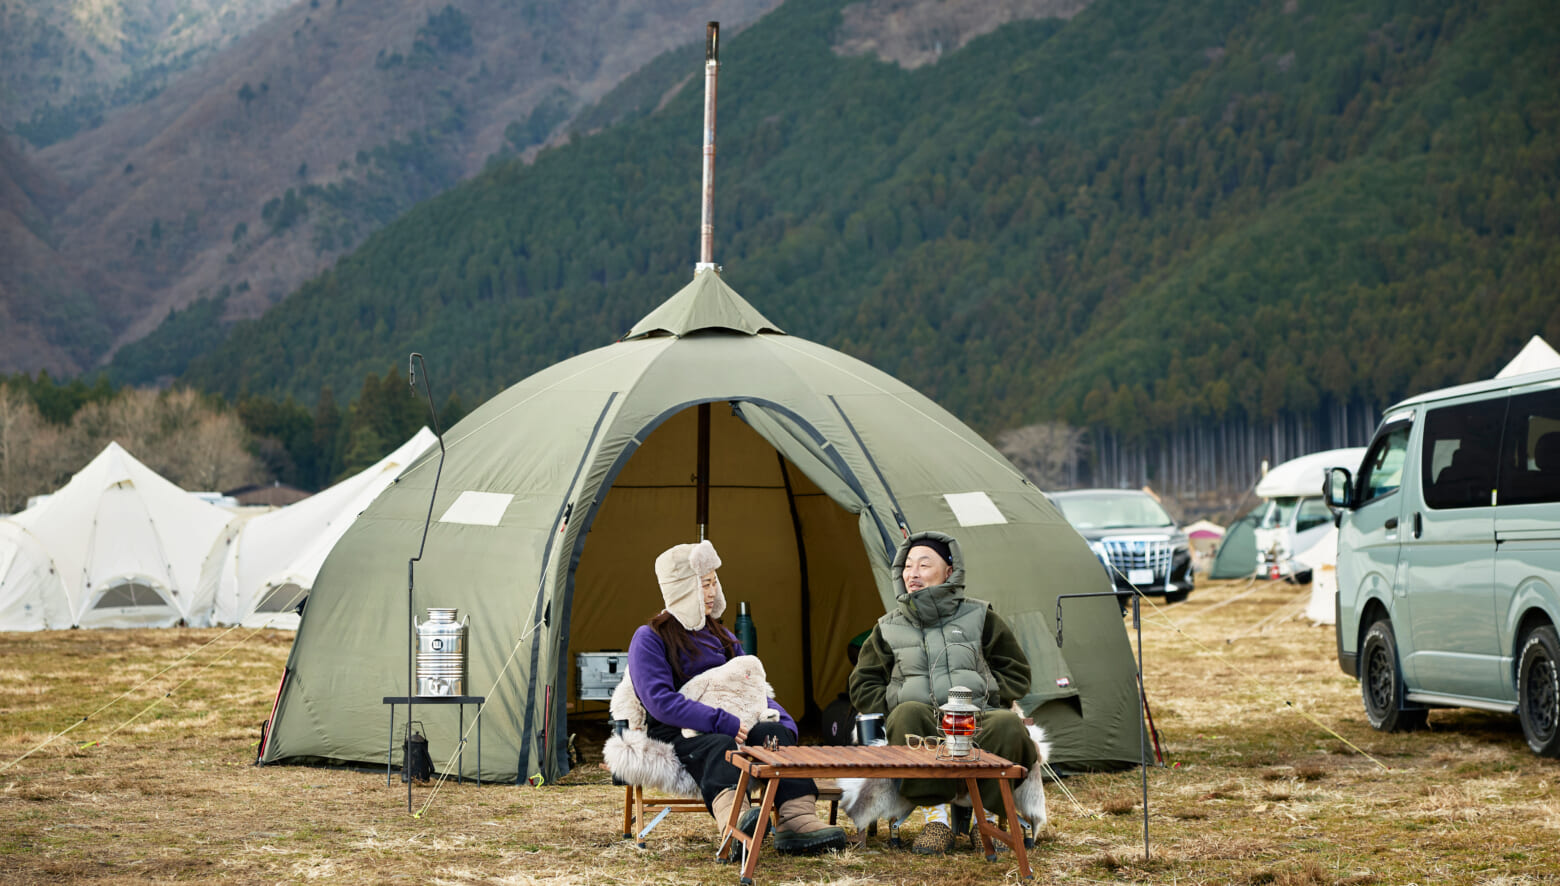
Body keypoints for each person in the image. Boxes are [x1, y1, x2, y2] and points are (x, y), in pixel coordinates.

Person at [626, 539, 847, 854]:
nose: (712, 591)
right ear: (682, 588)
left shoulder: (722, 636)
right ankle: (737, 824)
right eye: (704, 584)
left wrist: (784, 722)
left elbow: (751, 687)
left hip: (735, 722)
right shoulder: (650, 638)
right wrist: (720, 721)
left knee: (773, 734)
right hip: (679, 732)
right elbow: (660, 702)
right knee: (720, 745)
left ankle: (797, 822)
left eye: (714, 582)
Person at [847, 530, 1038, 854]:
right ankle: (935, 821)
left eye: (924, 565)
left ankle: (986, 820)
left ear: (949, 572)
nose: (913, 573)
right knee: (907, 713)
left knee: (1007, 724)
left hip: (976, 717)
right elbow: (863, 683)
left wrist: (988, 695)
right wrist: (897, 700)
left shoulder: (981, 616)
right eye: (907, 565)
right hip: (922, 722)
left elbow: (1016, 671)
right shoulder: (888, 627)